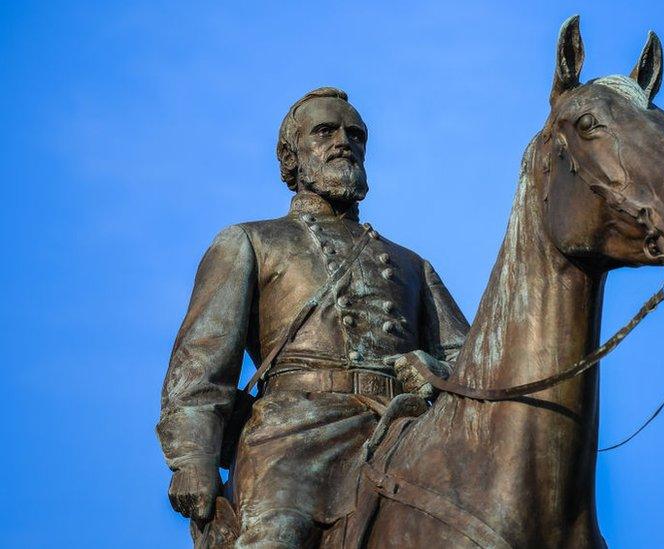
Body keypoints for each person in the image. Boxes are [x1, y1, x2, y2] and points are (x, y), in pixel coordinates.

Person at [157, 87, 469, 547]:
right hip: (294, 436)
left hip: (399, 428)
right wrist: (193, 458)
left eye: (355, 134)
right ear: (291, 155)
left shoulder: (411, 264)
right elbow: (200, 362)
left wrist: (435, 369)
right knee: (276, 535)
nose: (344, 141)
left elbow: (470, 361)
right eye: (325, 131)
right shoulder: (250, 241)